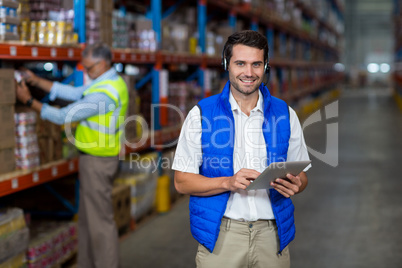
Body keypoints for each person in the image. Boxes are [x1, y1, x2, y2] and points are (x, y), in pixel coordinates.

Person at [172, 30, 311, 268]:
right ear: (227, 64)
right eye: (240, 63)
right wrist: (227, 182)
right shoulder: (201, 115)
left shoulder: (285, 114)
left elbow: (302, 175)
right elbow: (182, 182)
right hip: (221, 237)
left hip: (272, 236)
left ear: (265, 66)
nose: (249, 73)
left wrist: (298, 184)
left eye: (256, 64)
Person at [15, 43, 128, 268]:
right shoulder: (108, 80)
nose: (86, 72)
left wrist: (29, 101)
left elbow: (61, 116)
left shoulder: (104, 95)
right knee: (88, 222)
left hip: (98, 161)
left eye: (89, 68)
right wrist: (36, 80)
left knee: (101, 225)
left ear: (103, 63)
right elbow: (76, 92)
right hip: (94, 159)